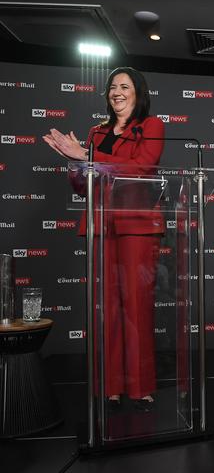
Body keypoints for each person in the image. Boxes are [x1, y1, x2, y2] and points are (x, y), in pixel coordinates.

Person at [43, 67, 164, 410]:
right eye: (112, 87)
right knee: (106, 309)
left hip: (137, 226)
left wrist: (88, 158)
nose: (117, 92)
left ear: (138, 92)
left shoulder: (151, 126)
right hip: (102, 225)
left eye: (124, 86)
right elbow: (83, 185)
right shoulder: (96, 132)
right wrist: (74, 162)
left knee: (136, 308)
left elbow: (143, 167)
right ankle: (109, 384)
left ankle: (140, 386)